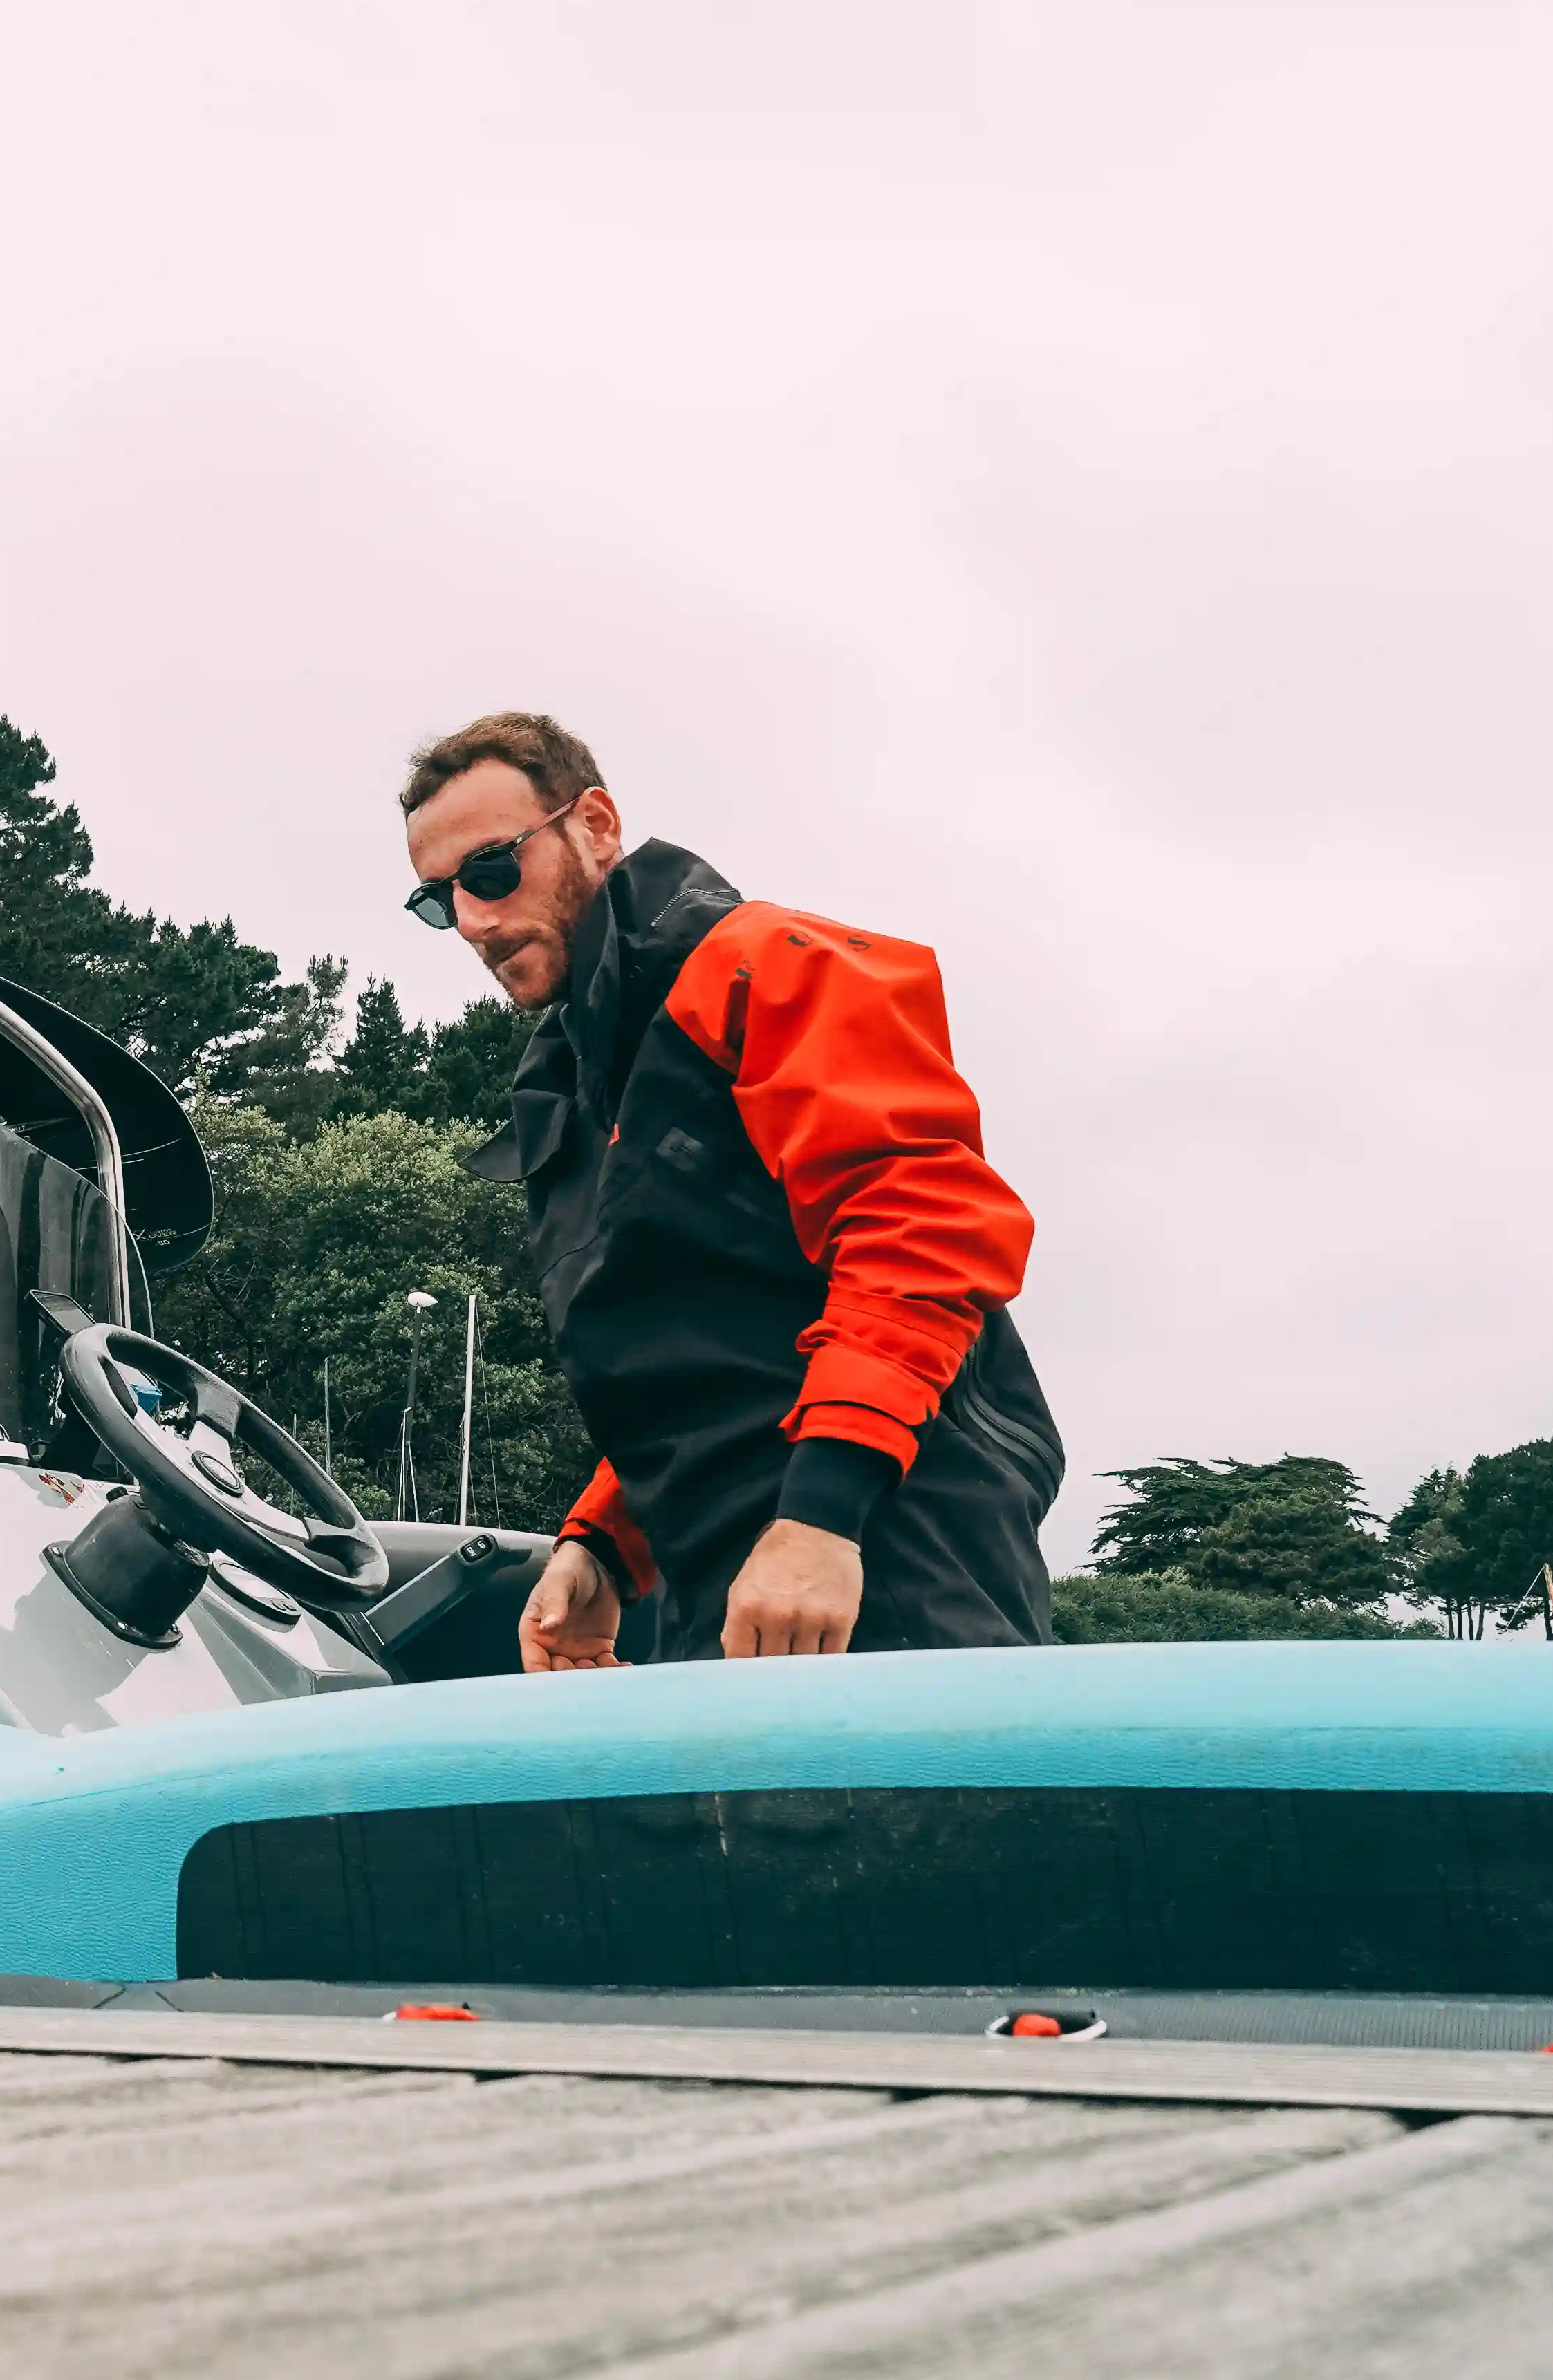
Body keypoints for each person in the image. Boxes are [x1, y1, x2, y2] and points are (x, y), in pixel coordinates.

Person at [402, 713, 1064, 1666]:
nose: (471, 919)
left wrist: (824, 1517)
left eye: (493, 871)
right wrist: (602, 1546)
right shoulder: (575, 1086)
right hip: (724, 1577)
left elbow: (921, 1225)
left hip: (889, 1550)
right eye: (437, 900)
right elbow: (712, 1351)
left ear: (594, 824)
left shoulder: (763, 962)